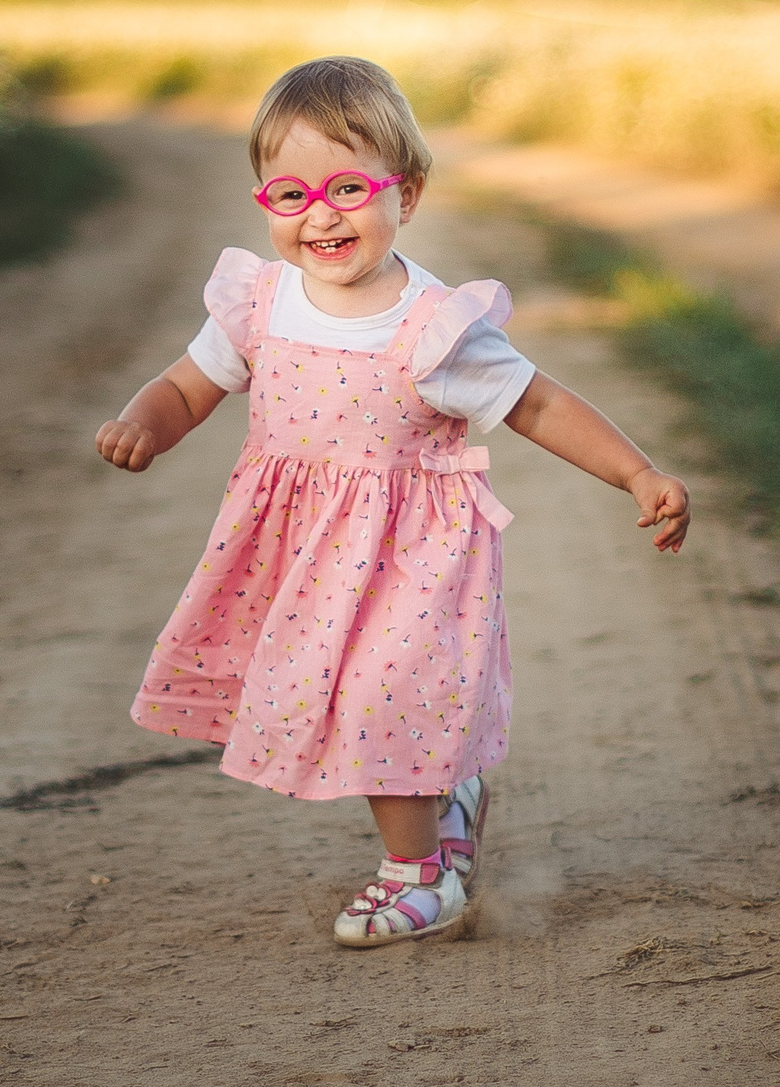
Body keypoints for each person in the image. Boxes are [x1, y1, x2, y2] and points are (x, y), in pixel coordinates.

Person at [94, 55, 693, 948]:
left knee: (385, 696)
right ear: (264, 202)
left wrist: (638, 473)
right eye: (289, 196)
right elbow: (188, 388)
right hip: (300, 557)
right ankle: (445, 802)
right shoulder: (259, 306)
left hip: (415, 555)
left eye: (346, 187)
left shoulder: (434, 327)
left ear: (404, 194)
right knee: (340, 698)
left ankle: (420, 878)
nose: (320, 215)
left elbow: (540, 404)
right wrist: (144, 421)